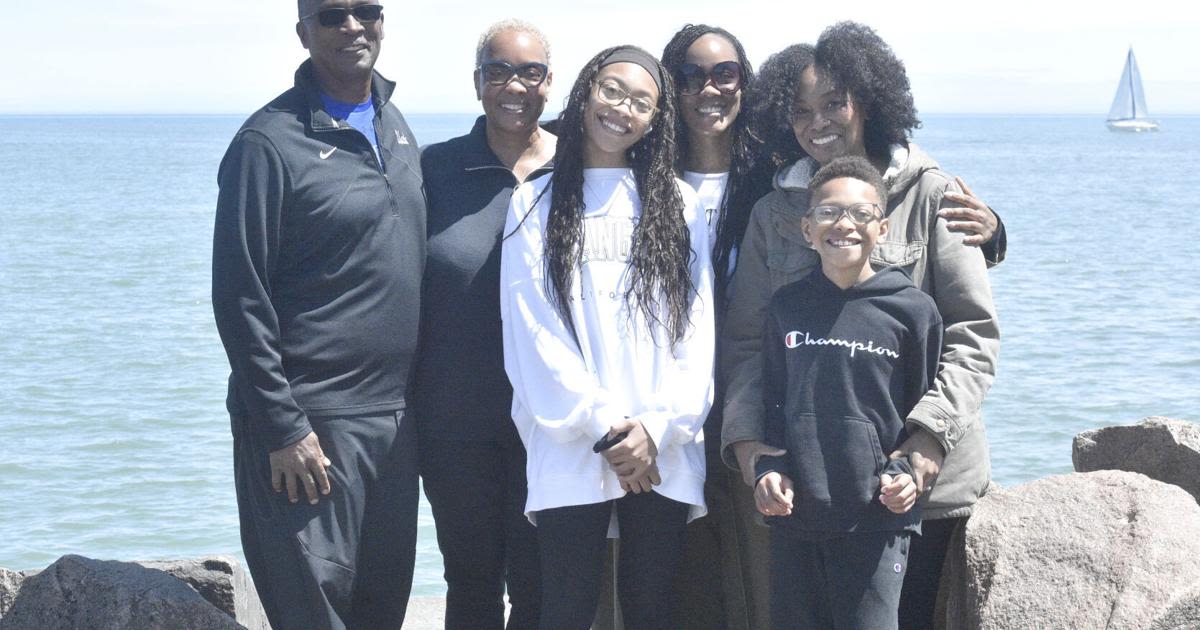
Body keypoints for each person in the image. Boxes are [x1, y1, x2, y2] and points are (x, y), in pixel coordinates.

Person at [721, 22, 1003, 628]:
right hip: (809, 485)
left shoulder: (933, 194)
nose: (817, 122)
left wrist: (926, 442)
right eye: (800, 112)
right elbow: (747, 343)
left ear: (867, 101)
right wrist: (748, 447)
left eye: (833, 103)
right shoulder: (774, 213)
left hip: (921, 486)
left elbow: (972, 335)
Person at [211, 1, 425, 627]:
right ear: (303, 31)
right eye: (333, 15)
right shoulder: (267, 143)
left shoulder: (395, 124)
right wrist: (282, 426)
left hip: (394, 423)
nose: (353, 27)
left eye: (367, 10)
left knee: (380, 611)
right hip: (310, 429)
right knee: (314, 615)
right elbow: (239, 296)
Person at [499, 45, 714, 630]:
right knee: (565, 609)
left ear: (656, 118)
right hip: (570, 442)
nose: (622, 108)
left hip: (661, 448)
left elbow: (696, 334)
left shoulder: (678, 202)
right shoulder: (534, 202)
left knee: (652, 609)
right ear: (586, 91)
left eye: (641, 101)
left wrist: (654, 428)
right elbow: (532, 332)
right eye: (612, 90)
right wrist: (606, 429)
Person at [754, 156, 941, 629]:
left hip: (876, 518)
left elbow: (920, 413)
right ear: (806, 228)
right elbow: (773, 403)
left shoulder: (913, 312)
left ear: (882, 227)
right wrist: (769, 469)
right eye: (828, 213)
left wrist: (904, 474)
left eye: (861, 214)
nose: (844, 225)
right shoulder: (786, 307)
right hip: (796, 517)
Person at [412, 19, 555, 630]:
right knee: (469, 578)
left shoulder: (578, 167)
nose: (513, 86)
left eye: (529, 72)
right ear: (477, 84)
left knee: (538, 582)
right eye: (498, 71)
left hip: (552, 419)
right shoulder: (434, 168)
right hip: (453, 419)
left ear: (550, 83)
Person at [659, 24, 773, 630]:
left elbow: (867, 184)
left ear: (744, 82)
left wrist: (988, 231)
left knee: (763, 581)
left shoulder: (776, 176)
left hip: (755, 406)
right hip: (671, 411)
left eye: (723, 73)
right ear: (671, 88)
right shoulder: (645, 178)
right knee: (688, 582)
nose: (709, 87)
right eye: (691, 75)